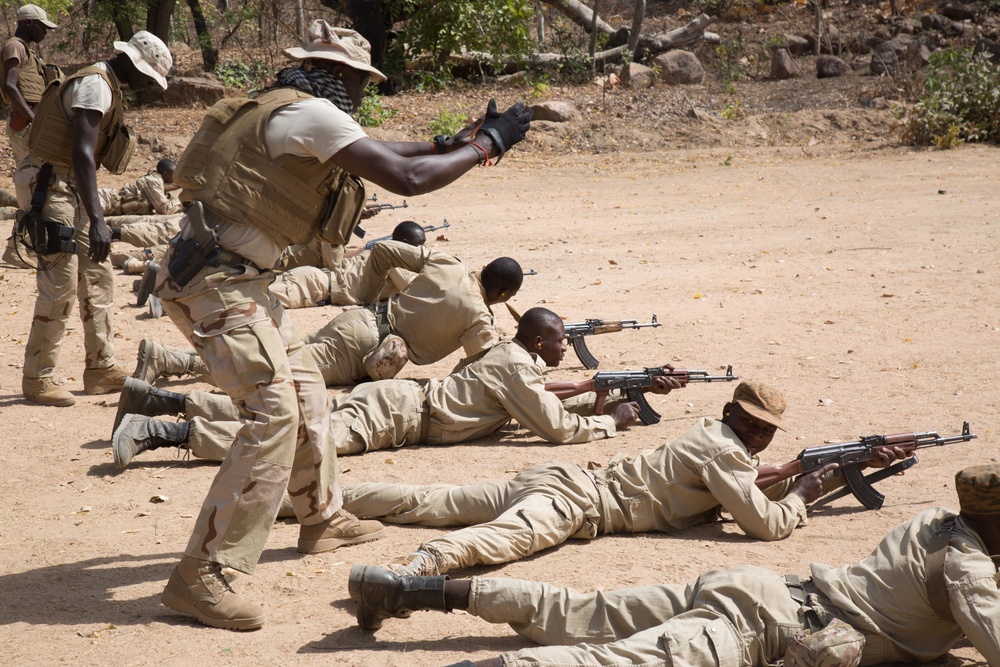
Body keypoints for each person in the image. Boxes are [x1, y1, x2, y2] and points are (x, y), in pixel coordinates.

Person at [152, 19, 531, 631]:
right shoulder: (312, 115)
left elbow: (390, 157)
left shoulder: (288, 109)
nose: (359, 95)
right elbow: (403, 179)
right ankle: (206, 574)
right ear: (339, 75)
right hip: (218, 284)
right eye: (358, 83)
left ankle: (321, 517)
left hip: (229, 277)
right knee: (273, 411)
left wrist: (450, 144)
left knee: (305, 388)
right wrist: (489, 144)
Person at [349, 464, 1000, 667]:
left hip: (768, 586)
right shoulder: (968, 568)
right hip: (785, 624)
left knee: (577, 609)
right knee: (626, 661)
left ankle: (412, 588)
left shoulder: (939, 517)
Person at [334, 379, 893, 579]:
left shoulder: (712, 435)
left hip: (565, 479)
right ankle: (419, 566)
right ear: (731, 414)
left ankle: (312, 499)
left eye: (766, 429)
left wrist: (821, 470)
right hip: (578, 503)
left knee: (431, 499)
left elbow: (742, 484)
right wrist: (803, 493)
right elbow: (765, 525)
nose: (759, 436)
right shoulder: (726, 450)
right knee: (500, 539)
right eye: (751, 424)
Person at [110, 307, 665, 468]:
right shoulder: (519, 370)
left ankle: (165, 398)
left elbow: (543, 390)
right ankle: (163, 430)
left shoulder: (511, 355)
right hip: (398, 418)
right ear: (542, 343)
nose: (566, 348)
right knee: (296, 441)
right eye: (562, 341)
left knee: (285, 415)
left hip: (400, 402)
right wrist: (608, 419)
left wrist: (603, 387)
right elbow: (554, 427)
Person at [13, 31, 171, 406]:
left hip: (72, 186)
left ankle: (100, 368)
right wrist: (98, 219)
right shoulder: (95, 86)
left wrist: (93, 213)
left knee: (98, 275)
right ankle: (39, 377)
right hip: (50, 185)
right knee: (60, 282)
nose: (146, 86)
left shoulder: (108, 85)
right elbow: (82, 152)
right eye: (147, 78)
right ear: (132, 63)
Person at [132, 250, 523, 388]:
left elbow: (384, 250)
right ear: (504, 295)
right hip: (360, 348)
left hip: (359, 320)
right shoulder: (478, 317)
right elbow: (480, 367)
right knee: (273, 373)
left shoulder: (449, 262)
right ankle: (170, 361)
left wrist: (368, 302)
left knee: (279, 359)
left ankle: (170, 361)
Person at [1, 3, 59, 266]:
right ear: (28, 24)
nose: (45, 32)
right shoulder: (15, 46)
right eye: (42, 27)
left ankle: (23, 246)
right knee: (31, 183)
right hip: (25, 125)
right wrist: (34, 118)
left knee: (38, 183)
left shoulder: (27, 52)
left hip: (31, 125)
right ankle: (16, 248)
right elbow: (10, 86)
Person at [267, 219, 426, 309]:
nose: (423, 249)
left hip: (312, 279)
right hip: (313, 287)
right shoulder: (393, 261)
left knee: (249, 293)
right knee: (251, 303)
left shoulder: (376, 254)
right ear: (405, 243)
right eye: (420, 244)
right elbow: (418, 292)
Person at [99, 157, 181, 216]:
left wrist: (181, 184)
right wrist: (183, 200)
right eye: (174, 174)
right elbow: (165, 209)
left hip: (110, 204)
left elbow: (166, 187)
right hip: (106, 200)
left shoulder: (156, 179)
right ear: (165, 174)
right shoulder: (154, 181)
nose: (176, 177)